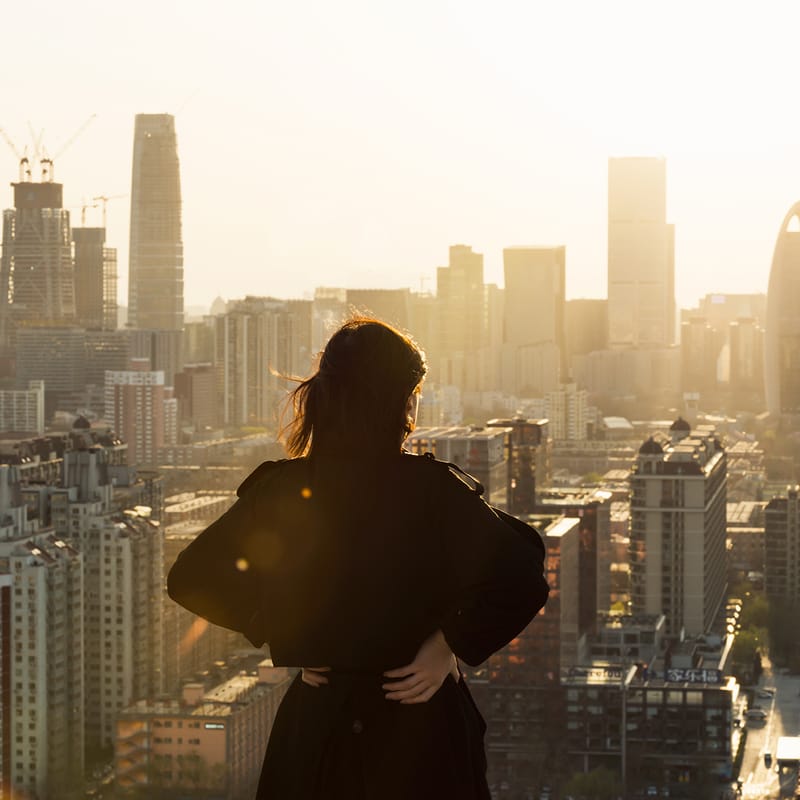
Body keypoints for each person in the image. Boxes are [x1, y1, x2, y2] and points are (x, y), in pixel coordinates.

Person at [167, 317, 549, 799]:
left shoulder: (283, 489)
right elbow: (523, 573)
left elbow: (193, 576)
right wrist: (448, 643)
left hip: (318, 734)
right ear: (401, 401)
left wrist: (286, 632)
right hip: (419, 736)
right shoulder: (433, 491)